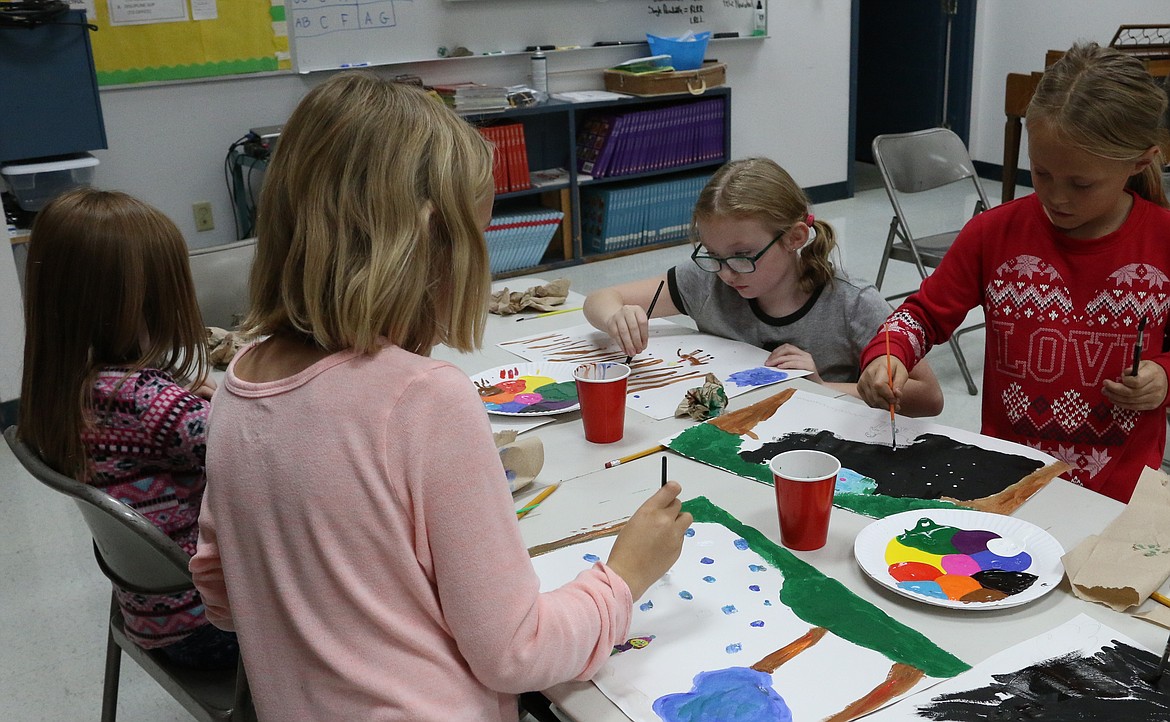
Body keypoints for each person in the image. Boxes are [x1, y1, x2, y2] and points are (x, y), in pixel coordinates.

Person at [189, 72, 691, 721]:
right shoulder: (423, 401)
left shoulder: (239, 384)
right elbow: (516, 652)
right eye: (476, 234)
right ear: (428, 237)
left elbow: (222, 596)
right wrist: (624, 577)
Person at [857, 42, 1170, 503]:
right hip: (1007, 479)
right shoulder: (994, 234)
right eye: (1040, 173)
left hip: (1121, 492)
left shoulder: (1163, 239)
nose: (1056, 197)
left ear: (1140, 162)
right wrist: (889, 354)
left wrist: (1163, 375)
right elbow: (922, 315)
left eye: (1081, 184)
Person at [18, 188, 238, 669]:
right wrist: (222, 398)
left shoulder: (62, 385)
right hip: (210, 628)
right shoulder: (148, 403)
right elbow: (257, 452)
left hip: (152, 618)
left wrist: (180, 396)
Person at [583, 157, 944, 417]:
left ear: (794, 238)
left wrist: (818, 385)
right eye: (713, 254)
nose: (726, 273)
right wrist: (617, 316)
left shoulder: (852, 303)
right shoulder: (708, 279)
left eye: (743, 255)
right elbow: (600, 299)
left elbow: (928, 398)